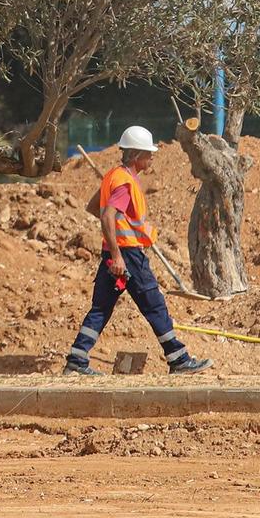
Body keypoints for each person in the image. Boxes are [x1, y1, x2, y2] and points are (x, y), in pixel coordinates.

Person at [63, 125, 209, 377]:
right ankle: (178, 359)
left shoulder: (114, 177)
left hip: (114, 255)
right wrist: (119, 253)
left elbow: (93, 207)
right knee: (154, 305)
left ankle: (77, 360)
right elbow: (107, 215)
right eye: (148, 153)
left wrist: (123, 228)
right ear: (135, 156)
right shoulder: (123, 182)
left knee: (101, 307)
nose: (152, 157)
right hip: (127, 256)